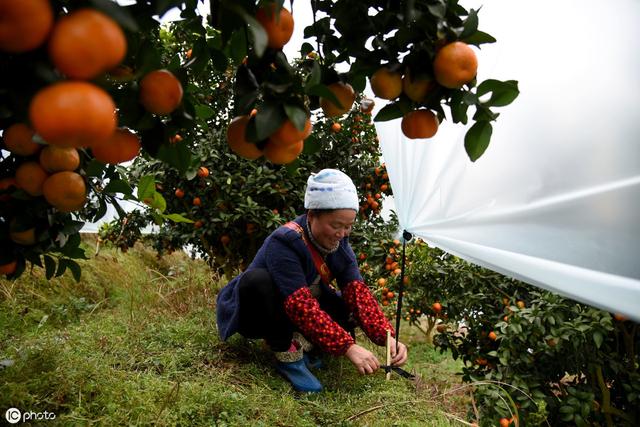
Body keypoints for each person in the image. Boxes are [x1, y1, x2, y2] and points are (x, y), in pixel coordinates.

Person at [216, 168, 408, 392]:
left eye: (348, 227)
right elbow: (301, 306)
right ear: (311, 215)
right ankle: (288, 356)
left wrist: (387, 337)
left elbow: (358, 293)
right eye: (336, 225)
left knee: (347, 304)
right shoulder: (285, 241)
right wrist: (347, 347)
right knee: (256, 280)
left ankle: (306, 345)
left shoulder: (340, 245)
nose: (342, 233)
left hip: (292, 310)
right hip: (260, 312)